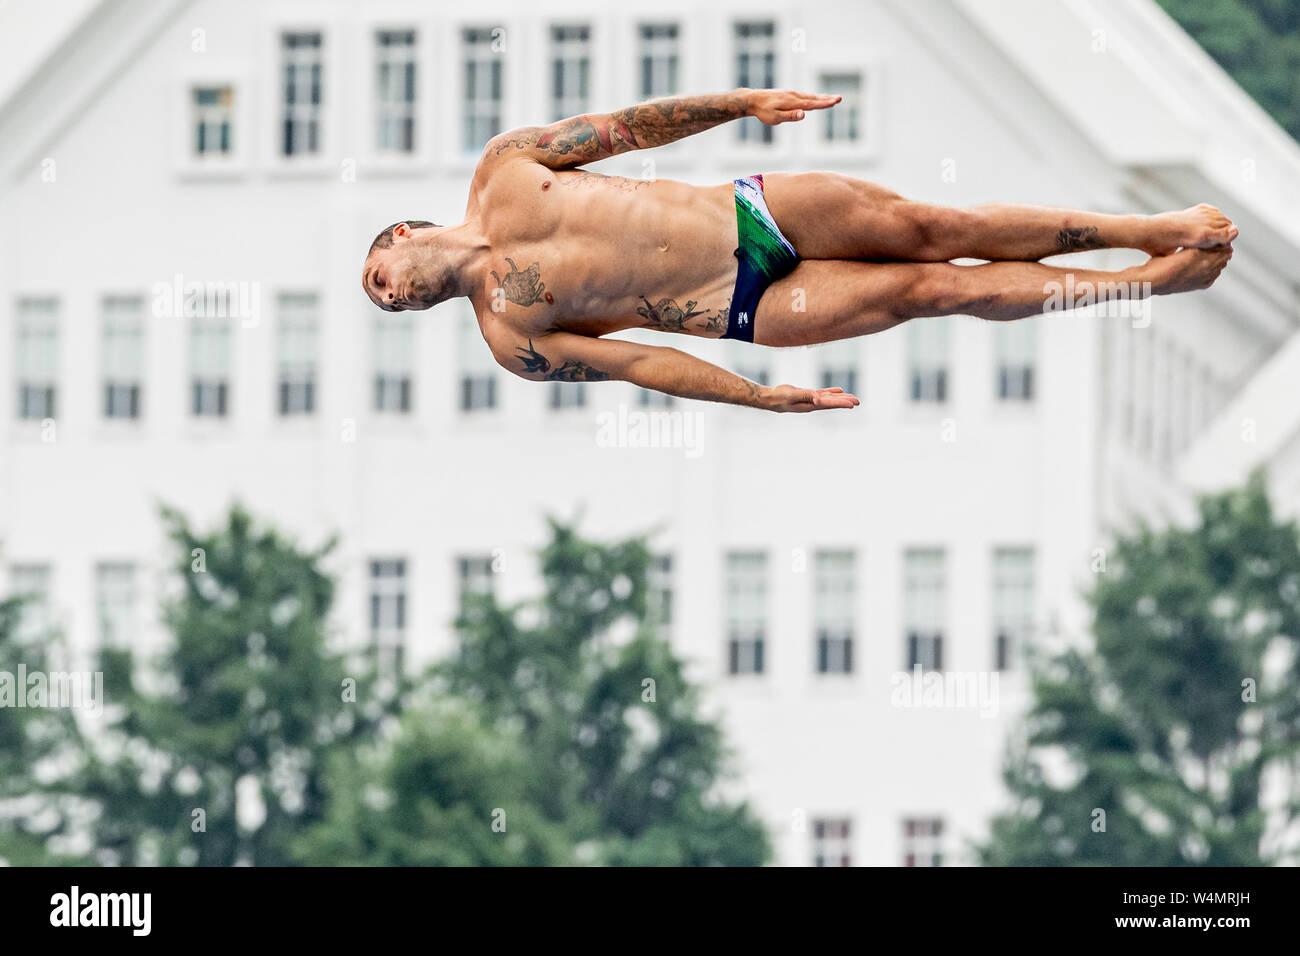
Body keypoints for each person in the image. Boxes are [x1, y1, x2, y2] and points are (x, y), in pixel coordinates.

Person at [361, 88, 1235, 412]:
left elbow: (627, 129)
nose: (391, 297)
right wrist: (757, 398)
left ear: (402, 237)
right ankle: (1140, 287)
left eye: (379, 281)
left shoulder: (506, 166)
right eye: (385, 304)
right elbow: (639, 364)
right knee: (934, 290)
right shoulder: (513, 340)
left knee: (941, 231)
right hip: (741, 305)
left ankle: (1148, 233)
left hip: (747, 215)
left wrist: (743, 104)